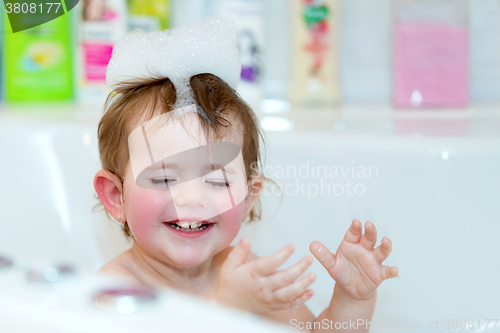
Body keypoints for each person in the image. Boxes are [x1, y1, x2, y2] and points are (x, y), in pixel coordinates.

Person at [93, 17, 398, 332]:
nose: (192, 197)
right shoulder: (111, 291)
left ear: (249, 196)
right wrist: (227, 310)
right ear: (117, 197)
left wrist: (352, 301)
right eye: (165, 179)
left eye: (218, 181)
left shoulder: (248, 275)